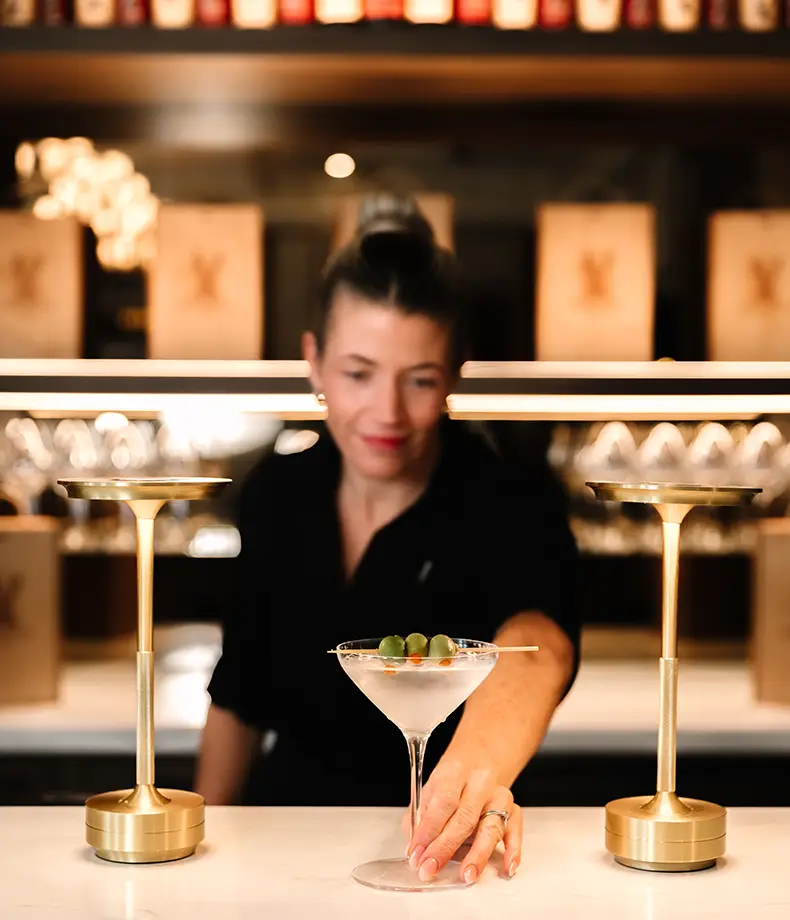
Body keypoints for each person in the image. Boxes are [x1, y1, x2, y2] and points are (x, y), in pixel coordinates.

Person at [195, 194, 580, 885]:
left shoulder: (506, 497)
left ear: (457, 372)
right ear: (314, 362)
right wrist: (200, 853)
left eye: (420, 380)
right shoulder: (277, 494)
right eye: (357, 373)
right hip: (282, 848)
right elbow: (238, 698)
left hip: (446, 852)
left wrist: (468, 772)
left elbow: (538, 645)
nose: (387, 413)